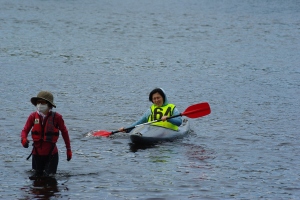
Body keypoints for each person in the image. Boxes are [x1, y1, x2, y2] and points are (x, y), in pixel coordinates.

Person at [20, 91, 72, 177]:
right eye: (38, 102)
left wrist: (68, 149)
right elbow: (24, 131)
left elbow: (64, 133)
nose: (40, 104)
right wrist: (23, 139)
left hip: (51, 155)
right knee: (36, 183)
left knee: (50, 181)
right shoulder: (33, 116)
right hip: (36, 155)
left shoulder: (57, 117)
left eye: (42, 102)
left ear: (49, 104)